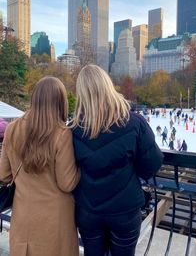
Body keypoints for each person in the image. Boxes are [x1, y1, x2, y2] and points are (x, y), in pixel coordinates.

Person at [72, 64, 163, 256]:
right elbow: (151, 165)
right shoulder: (134, 123)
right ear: (108, 86)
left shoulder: (73, 129)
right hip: (125, 210)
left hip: (88, 210)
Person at [0, 77, 80, 256]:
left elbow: (4, 174)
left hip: (23, 216)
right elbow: (67, 183)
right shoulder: (62, 134)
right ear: (60, 102)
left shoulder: (12, 129)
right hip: (56, 221)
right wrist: (81, 170)